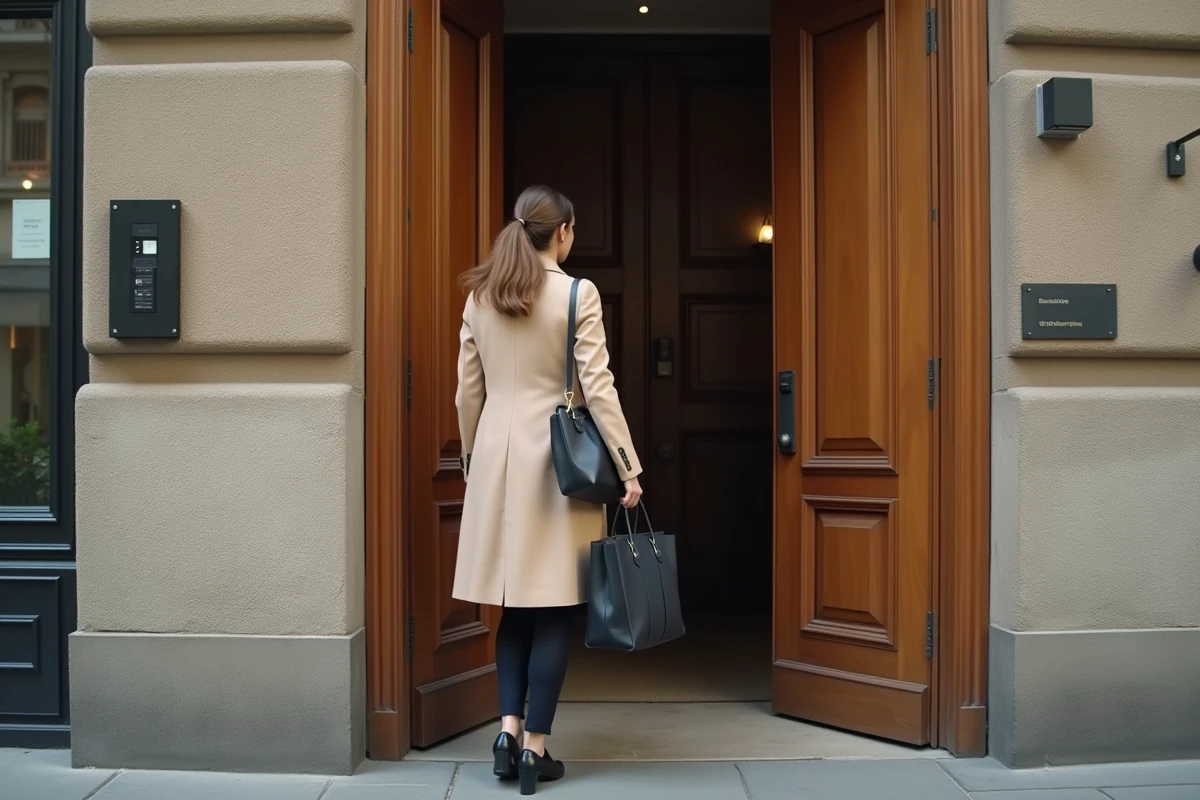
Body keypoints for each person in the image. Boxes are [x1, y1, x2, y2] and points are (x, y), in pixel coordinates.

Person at [453, 185, 643, 795]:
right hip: (560, 468)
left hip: (497, 463)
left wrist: (471, 458)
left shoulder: (481, 296)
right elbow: (599, 387)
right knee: (558, 606)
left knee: (512, 605)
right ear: (562, 232)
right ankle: (536, 747)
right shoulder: (576, 294)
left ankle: (506, 734)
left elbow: (467, 394)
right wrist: (627, 466)